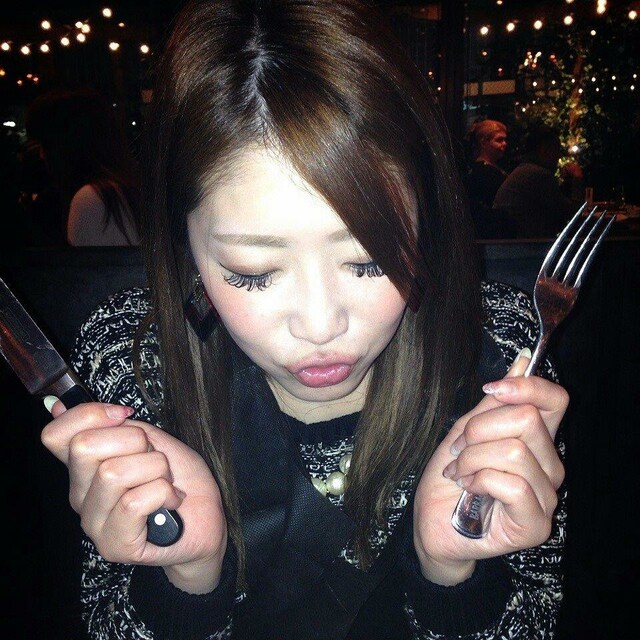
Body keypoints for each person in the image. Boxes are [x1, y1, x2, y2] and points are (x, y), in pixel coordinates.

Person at [39, 2, 569, 639]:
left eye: (371, 261)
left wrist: (452, 574)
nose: (321, 326)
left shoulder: (505, 350)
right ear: (186, 244)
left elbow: (537, 615)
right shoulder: (131, 359)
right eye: (254, 272)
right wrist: (187, 577)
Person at [24, 86, 141, 246]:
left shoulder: (93, 199)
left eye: (45, 144)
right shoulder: (122, 189)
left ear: (66, 145)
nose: (41, 155)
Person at [492, 122, 584, 238]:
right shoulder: (538, 175)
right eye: (556, 150)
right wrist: (577, 179)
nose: (558, 156)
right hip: (528, 244)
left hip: (513, 241)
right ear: (544, 150)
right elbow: (571, 215)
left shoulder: (526, 171)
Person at [464, 119, 511, 237]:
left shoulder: (493, 169)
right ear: (484, 142)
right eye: (499, 140)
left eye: (505, 140)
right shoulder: (482, 172)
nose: (504, 144)